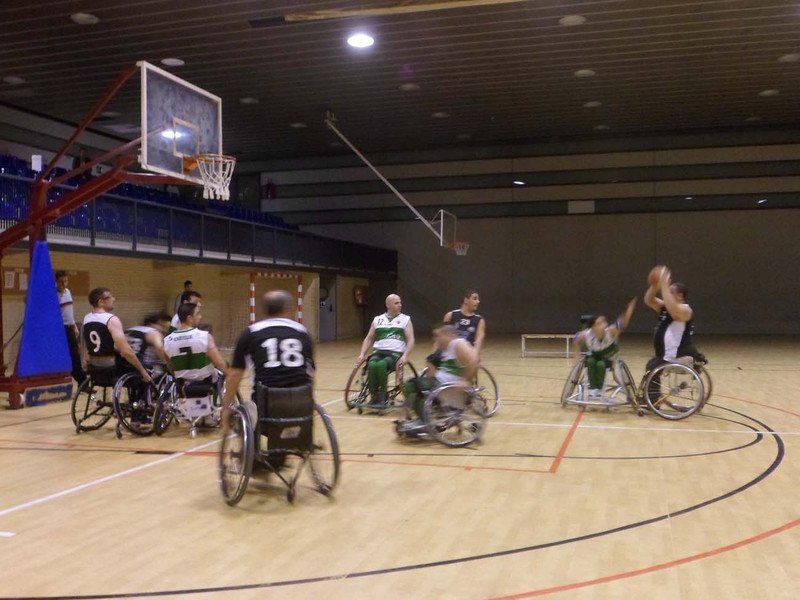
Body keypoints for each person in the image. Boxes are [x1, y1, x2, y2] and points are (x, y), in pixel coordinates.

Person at [221, 290, 315, 438]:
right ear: (289, 309)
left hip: (265, 408)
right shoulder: (302, 332)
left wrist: (226, 408)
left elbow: (235, 375)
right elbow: (311, 375)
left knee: (243, 414)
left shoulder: (251, 333)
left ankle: (251, 450)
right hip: (300, 406)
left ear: (265, 310)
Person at [400, 323, 478, 427]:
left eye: (438, 336)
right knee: (417, 386)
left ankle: (424, 421)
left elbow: (474, 360)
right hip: (440, 382)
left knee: (409, 386)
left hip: (445, 384)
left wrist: (466, 381)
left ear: (449, 335)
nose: (435, 339)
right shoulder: (447, 348)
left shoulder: (457, 343)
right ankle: (425, 416)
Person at [163, 303, 228, 427]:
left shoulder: (167, 340)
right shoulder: (204, 336)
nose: (200, 317)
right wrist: (230, 373)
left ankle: (198, 412)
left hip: (183, 383)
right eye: (197, 314)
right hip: (205, 381)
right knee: (220, 372)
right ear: (189, 318)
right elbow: (219, 362)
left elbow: (170, 367)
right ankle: (209, 412)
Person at [82, 287, 152, 383]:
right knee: (144, 364)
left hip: (93, 364)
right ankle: (140, 392)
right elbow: (126, 351)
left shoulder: (87, 318)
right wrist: (143, 371)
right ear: (101, 302)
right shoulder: (111, 319)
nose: (113, 299)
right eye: (110, 297)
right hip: (111, 365)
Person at [356, 294, 415, 405]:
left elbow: (411, 340)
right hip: (379, 351)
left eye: (400, 302)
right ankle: (374, 396)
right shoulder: (378, 319)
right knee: (372, 364)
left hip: (395, 353)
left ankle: (383, 396)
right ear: (388, 305)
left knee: (381, 365)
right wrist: (362, 354)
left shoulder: (405, 320)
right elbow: (369, 338)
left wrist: (405, 356)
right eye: (396, 303)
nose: (400, 305)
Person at [572, 298, 637, 398]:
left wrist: (629, 311)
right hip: (595, 355)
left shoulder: (610, 331)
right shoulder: (586, 334)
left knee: (601, 364)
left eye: (604, 322)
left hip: (609, 355)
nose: (604, 324)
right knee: (590, 361)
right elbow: (576, 341)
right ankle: (593, 389)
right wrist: (576, 358)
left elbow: (622, 323)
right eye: (599, 323)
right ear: (593, 327)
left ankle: (599, 388)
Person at [643, 267, 703, 370]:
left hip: (675, 354)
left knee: (652, 368)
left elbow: (674, 311)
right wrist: (654, 286)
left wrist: (664, 286)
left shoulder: (685, 310)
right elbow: (648, 300)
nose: (666, 294)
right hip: (664, 354)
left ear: (680, 296)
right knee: (650, 366)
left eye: (670, 292)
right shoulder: (666, 307)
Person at [55, 270, 86, 386]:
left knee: (75, 354)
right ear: (56, 282)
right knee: (67, 355)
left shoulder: (68, 292)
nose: (64, 284)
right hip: (60, 328)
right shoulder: (53, 295)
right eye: (61, 281)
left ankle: (82, 383)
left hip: (69, 327)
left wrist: (74, 326)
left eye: (66, 281)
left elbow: (69, 312)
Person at [122, 313, 171, 379]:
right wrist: (167, 363)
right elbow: (159, 347)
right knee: (161, 371)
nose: (163, 329)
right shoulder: (153, 332)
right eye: (161, 326)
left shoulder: (130, 330)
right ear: (151, 324)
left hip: (123, 364)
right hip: (144, 365)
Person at [443, 289, 486, 356]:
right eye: (475, 299)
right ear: (466, 300)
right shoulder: (450, 315)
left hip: (467, 356)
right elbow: (441, 338)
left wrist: (475, 355)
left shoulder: (479, 320)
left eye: (478, 299)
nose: (478, 301)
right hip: (450, 355)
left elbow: (478, 341)